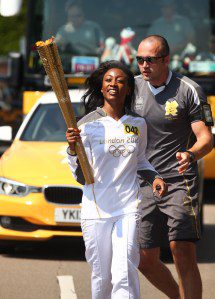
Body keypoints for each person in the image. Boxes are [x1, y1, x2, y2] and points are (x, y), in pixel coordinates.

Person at [66, 60, 166, 298]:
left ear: (129, 88)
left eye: (120, 80)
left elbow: (140, 159)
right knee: (102, 274)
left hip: (127, 207)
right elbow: (80, 175)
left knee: (125, 270)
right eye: (108, 80)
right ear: (101, 88)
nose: (114, 84)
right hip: (96, 208)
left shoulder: (137, 124)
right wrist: (72, 149)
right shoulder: (87, 125)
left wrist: (154, 177)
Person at [133, 35, 213, 299]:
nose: (144, 65)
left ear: (166, 59)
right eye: (139, 60)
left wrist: (190, 154)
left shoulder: (188, 89)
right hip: (144, 181)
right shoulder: (131, 88)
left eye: (150, 60)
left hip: (179, 179)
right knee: (144, 259)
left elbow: (206, 139)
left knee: (181, 248)